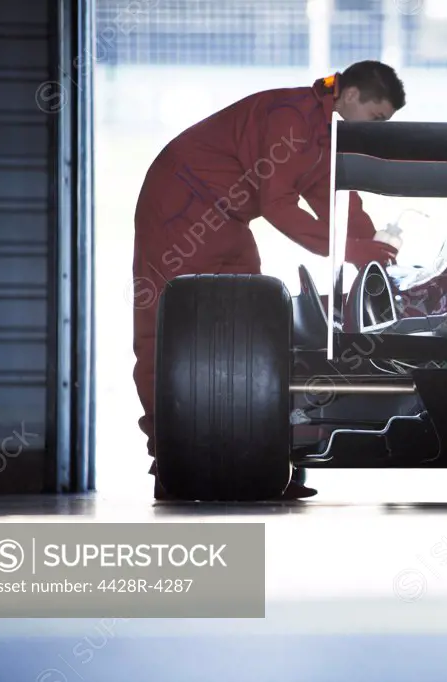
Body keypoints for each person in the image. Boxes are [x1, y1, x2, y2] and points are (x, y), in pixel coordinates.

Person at [132, 60, 406, 500]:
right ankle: (169, 461)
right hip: (178, 206)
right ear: (351, 95)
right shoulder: (291, 116)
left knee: (252, 335)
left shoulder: (322, 133)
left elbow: (332, 194)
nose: (377, 130)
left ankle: (259, 460)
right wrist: (352, 250)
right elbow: (278, 205)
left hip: (228, 219)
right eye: (377, 119)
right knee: (167, 336)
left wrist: (370, 246)